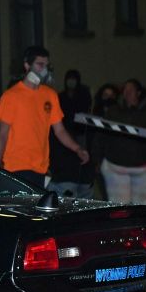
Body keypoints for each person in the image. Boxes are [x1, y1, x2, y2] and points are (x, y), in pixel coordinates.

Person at [0, 46, 89, 188]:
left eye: (46, 65)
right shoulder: (12, 96)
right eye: (40, 64)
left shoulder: (50, 95)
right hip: (16, 166)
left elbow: (59, 130)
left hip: (40, 167)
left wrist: (77, 149)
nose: (44, 69)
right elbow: (2, 135)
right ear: (27, 65)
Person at [93, 79, 146, 205]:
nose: (127, 92)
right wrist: (97, 159)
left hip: (145, 168)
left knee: (143, 206)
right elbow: (101, 136)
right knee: (119, 207)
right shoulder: (113, 111)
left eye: (131, 90)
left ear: (139, 92)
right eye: (125, 90)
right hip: (116, 167)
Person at [47, 69, 94, 198]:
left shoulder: (83, 96)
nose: (71, 82)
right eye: (69, 78)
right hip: (64, 133)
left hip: (80, 133)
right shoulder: (60, 97)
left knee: (82, 157)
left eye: (73, 79)